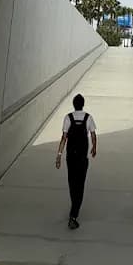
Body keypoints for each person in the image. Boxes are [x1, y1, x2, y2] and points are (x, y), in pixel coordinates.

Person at [55, 93, 97, 229]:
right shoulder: (88, 117)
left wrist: (59, 155)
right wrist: (94, 148)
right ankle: (74, 214)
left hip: (70, 157)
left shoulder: (68, 118)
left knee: (72, 183)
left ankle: (73, 211)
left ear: (74, 104)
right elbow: (93, 134)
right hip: (82, 158)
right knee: (80, 184)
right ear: (83, 104)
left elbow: (64, 138)